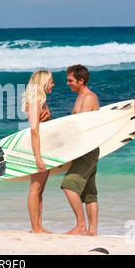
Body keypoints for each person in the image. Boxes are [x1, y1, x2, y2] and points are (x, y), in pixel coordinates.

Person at [61, 64, 100, 236]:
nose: (68, 83)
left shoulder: (89, 97)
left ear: (81, 80)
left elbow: (81, 126)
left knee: (69, 185)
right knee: (89, 192)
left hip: (87, 149)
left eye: (71, 80)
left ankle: (81, 226)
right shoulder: (80, 97)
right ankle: (92, 232)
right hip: (84, 149)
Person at [22, 70, 55, 233]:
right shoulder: (35, 102)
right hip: (37, 151)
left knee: (40, 190)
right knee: (34, 189)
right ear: (43, 83)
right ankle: (35, 228)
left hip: (44, 149)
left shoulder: (41, 102)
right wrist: (38, 158)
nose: (53, 84)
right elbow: (34, 131)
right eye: (51, 81)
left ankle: (39, 226)